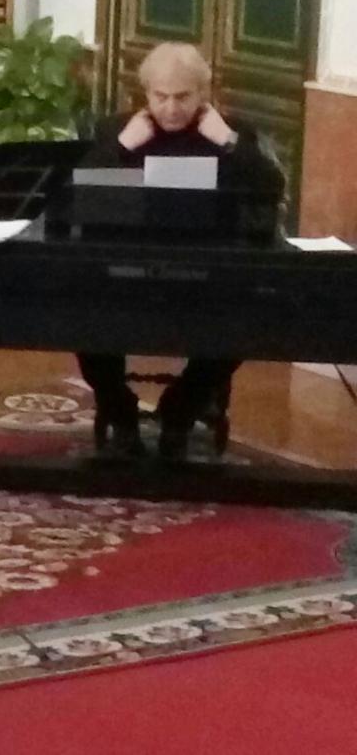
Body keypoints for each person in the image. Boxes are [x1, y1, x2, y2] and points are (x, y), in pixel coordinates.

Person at [76, 41, 284, 460]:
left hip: (207, 276)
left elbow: (270, 187)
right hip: (126, 274)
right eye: (160, 97)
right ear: (146, 94)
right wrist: (121, 148)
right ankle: (121, 413)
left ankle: (181, 409)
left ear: (203, 94)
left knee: (241, 323)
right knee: (82, 316)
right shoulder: (114, 129)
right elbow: (78, 190)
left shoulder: (231, 133)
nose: (170, 108)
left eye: (183, 97)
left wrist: (228, 141)